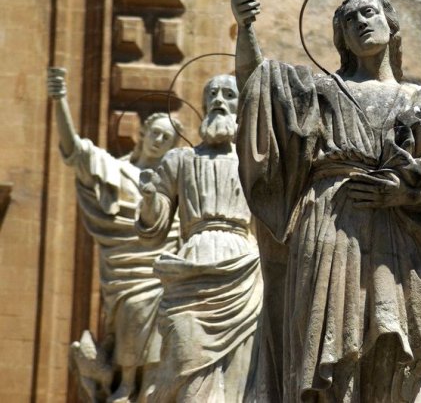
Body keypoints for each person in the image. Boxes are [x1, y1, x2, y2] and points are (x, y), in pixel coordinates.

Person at [231, 0, 421, 401]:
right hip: (328, 223)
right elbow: (257, 95)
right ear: (341, 39)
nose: (360, 22)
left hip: (394, 232)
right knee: (326, 346)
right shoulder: (319, 92)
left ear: (391, 25)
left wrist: (404, 193)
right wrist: (245, 28)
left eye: (369, 13)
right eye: (349, 21)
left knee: (394, 345)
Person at [47, 67, 182, 403]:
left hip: (160, 271)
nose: (159, 140)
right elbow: (74, 150)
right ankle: (125, 384)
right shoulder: (114, 169)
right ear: (143, 132)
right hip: (123, 274)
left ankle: (146, 387)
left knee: (164, 312)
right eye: (156, 133)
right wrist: (60, 99)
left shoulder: (172, 186)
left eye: (167, 138)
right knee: (135, 308)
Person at [136, 74, 262, 402]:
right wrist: (149, 198)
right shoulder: (180, 160)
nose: (219, 100)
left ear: (241, 107)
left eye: (229, 94)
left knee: (239, 377)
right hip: (191, 267)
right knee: (184, 361)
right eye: (212, 93)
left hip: (243, 270)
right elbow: (154, 228)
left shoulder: (254, 163)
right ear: (204, 105)